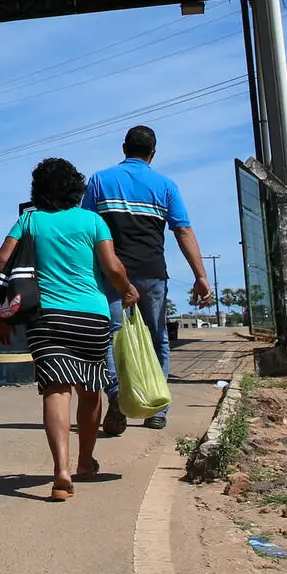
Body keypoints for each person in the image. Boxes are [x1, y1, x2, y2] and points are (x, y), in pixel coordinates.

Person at [0, 157, 138, 501]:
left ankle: (61, 469)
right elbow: (112, 266)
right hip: (91, 317)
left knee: (56, 390)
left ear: (38, 189)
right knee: (90, 388)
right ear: (76, 187)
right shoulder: (93, 220)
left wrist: (2, 313)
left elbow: (2, 262)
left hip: (46, 317)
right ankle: (85, 461)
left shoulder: (28, 221)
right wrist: (127, 289)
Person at [82, 125, 212, 435]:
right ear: (153, 153)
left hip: (112, 273)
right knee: (157, 339)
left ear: (123, 148)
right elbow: (182, 230)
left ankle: (117, 396)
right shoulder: (166, 186)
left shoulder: (100, 180)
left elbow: (87, 227)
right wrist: (200, 276)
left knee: (112, 338)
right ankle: (157, 409)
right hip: (152, 273)